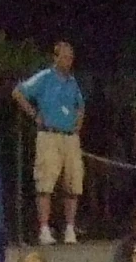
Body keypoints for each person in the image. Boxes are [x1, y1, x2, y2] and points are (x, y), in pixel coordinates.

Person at [13, 41, 85, 246]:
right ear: (56, 57)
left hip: (70, 136)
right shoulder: (45, 77)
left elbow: (80, 105)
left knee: (73, 182)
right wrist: (34, 115)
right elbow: (18, 92)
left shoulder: (72, 82)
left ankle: (70, 228)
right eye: (64, 57)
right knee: (45, 182)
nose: (68, 61)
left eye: (70, 58)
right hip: (49, 134)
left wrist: (78, 124)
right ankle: (44, 229)